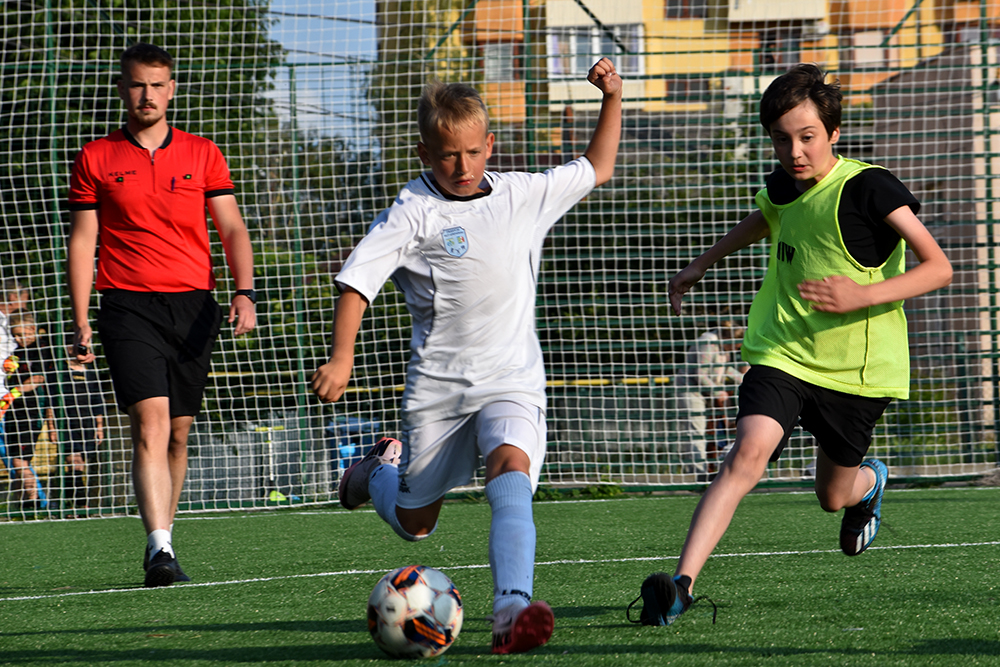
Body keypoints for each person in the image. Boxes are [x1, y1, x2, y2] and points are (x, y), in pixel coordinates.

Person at [312, 58, 622, 653]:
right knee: (416, 524)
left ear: (490, 146)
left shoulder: (522, 194)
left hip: (511, 378)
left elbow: (597, 166)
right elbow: (356, 282)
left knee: (511, 470)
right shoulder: (412, 210)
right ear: (424, 153)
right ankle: (373, 473)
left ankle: (511, 610)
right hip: (440, 389)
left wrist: (611, 96)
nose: (463, 166)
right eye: (448, 156)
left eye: (474, 152)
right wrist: (342, 357)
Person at [657, 63, 953, 624]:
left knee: (832, 497)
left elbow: (939, 267)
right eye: (781, 139)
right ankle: (681, 587)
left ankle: (869, 483)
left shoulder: (870, 188)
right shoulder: (782, 184)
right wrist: (702, 263)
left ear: (833, 133)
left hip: (856, 372)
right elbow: (765, 217)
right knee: (746, 454)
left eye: (807, 136)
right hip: (782, 351)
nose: (794, 152)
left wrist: (860, 295)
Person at [67, 43, 257, 587]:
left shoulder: (203, 153)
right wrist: (80, 318)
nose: (146, 95)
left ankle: (165, 539)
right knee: (148, 422)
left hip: (195, 307)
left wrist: (245, 292)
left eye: (156, 85)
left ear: (171, 89)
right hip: (126, 304)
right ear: (121, 89)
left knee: (177, 432)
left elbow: (232, 227)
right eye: (136, 84)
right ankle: (160, 549)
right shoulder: (95, 157)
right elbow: (84, 240)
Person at [674, 322, 747, 481]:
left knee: (714, 432)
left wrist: (746, 380)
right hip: (691, 390)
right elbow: (700, 374)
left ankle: (709, 470)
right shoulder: (708, 342)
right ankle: (698, 475)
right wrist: (717, 391)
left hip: (708, 392)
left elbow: (724, 369)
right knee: (696, 431)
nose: (736, 349)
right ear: (728, 338)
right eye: (735, 345)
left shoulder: (723, 347)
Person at [4, 313, 57, 514]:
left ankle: (34, 503)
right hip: (13, 409)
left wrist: (13, 393)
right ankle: (22, 504)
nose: (19, 339)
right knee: (14, 459)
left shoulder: (42, 349)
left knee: (20, 460)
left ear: (33, 330)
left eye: (22, 334)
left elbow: (38, 378)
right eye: (15, 335)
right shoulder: (15, 350)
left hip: (31, 409)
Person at [56, 335, 107, 514]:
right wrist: (53, 427)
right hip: (67, 423)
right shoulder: (60, 372)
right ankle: (77, 503)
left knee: (82, 463)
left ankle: (79, 502)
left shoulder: (91, 373)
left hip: (87, 423)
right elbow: (53, 402)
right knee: (73, 461)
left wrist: (99, 427)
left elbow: (98, 401)